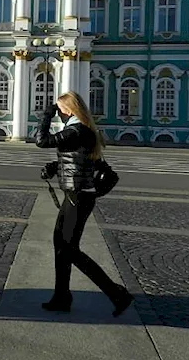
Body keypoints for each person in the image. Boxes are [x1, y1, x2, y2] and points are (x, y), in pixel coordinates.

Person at [35, 92, 133, 317]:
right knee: (60, 245)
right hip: (76, 195)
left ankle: (117, 293)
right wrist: (55, 167)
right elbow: (79, 158)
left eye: (59, 109)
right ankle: (61, 296)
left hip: (78, 197)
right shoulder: (80, 131)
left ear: (69, 109)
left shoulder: (76, 130)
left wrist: (46, 116)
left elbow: (42, 141)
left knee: (70, 250)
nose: (58, 113)